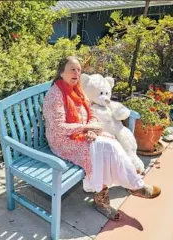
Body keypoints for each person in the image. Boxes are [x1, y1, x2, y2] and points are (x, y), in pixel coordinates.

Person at [43, 56, 161, 221]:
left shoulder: (77, 89)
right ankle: (130, 188)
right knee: (104, 148)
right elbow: (58, 128)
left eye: (78, 69)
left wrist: (91, 128)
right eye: (72, 69)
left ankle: (127, 188)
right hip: (62, 141)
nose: (76, 73)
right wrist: (86, 128)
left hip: (81, 134)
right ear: (61, 72)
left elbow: (90, 114)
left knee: (111, 143)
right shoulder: (55, 95)